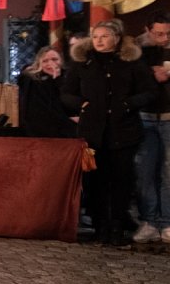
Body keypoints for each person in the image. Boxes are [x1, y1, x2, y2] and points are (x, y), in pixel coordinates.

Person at [62, 19, 156, 246]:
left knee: (121, 180)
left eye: (104, 37)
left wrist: (128, 105)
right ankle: (99, 225)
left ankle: (117, 226)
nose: (99, 41)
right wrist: (81, 104)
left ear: (116, 38)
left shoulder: (130, 62)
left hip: (123, 131)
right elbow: (66, 93)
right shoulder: (82, 63)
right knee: (95, 181)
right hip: (92, 132)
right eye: (96, 37)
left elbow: (149, 91)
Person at [132, 11, 170, 244]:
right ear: (148, 31)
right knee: (144, 172)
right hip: (145, 116)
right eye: (159, 34)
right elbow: (129, 79)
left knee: (168, 172)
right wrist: (150, 74)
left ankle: (167, 222)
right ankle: (149, 221)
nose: (164, 38)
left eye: (167, 33)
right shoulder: (136, 52)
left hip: (169, 115)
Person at [17, 46, 77, 138]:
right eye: (45, 61)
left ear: (61, 61)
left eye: (54, 59)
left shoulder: (70, 78)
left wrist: (58, 79)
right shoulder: (33, 82)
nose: (51, 63)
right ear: (39, 64)